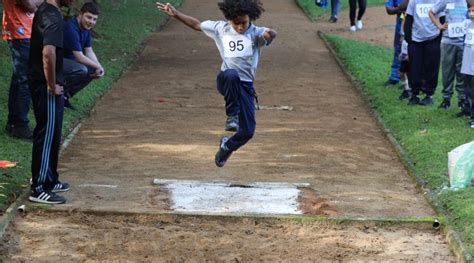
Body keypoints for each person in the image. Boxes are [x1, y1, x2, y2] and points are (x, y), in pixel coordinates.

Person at [157, 0, 277, 167]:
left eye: (244, 23)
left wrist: (270, 34)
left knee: (248, 132)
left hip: (245, 87)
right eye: (236, 24)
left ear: (250, 18)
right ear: (229, 20)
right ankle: (232, 116)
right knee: (231, 74)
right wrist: (176, 14)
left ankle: (226, 146)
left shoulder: (256, 33)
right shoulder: (220, 29)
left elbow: (271, 34)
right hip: (226, 80)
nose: (240, 27)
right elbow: (197, 25)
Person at [28, 0, 74, 204]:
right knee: (46, 134)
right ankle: (38, 188)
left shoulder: (47, 11)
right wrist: (52, 84)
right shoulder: (52, 16)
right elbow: (48, 53)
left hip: (45, 82)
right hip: (45, 85)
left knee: (53, 133)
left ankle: (50, 179)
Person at [2, 0, 42, 139]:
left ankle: (13, 122)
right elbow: (30, 6)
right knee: (25, 80)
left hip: (26, 31)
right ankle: (20, 125)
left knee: (18, 79)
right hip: (19, 32)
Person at [63, 2, 104, 110]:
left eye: (94, 19)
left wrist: (99, 67)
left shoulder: (86, 29)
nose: (91, 22)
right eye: (89, 17)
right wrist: (97, 66)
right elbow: (79, 57)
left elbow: (89, 51)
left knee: (92, 70)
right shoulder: (71, 28)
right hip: (57, 60)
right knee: (82, 69)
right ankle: (51, 94)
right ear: (80, 14)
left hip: (71, 62)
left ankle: (64, 96)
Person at [429, 0, 468, 112]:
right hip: (448, 41)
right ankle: (446, 99)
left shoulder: (466, 1)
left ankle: (462, 99)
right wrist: (439, 26)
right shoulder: (445, 0)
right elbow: (431, 12)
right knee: (447, 71)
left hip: (463, 42)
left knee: (462, 72)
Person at [405, 0, 442, 105]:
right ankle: (414, 94)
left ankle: (429, 95)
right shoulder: (413, 1)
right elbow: (408, 20)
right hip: (416, 41)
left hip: (433, 39)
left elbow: (443, 19)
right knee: (414, 68)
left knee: (432, 67)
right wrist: (409, 40)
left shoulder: (438, 1)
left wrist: (438, 38)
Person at [385, 0, 405, 86]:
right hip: (402, 19)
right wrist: (400, 8)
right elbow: (389, 9)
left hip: (419, 24)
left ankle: (411, 80)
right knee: (399, 50)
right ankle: (395, 76)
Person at [462, 3, 474, 127]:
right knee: (469, 91)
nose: (471, 13)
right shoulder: (467, 24)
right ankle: (470, 113)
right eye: (469, 11)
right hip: (467, 65)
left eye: (473, 11)